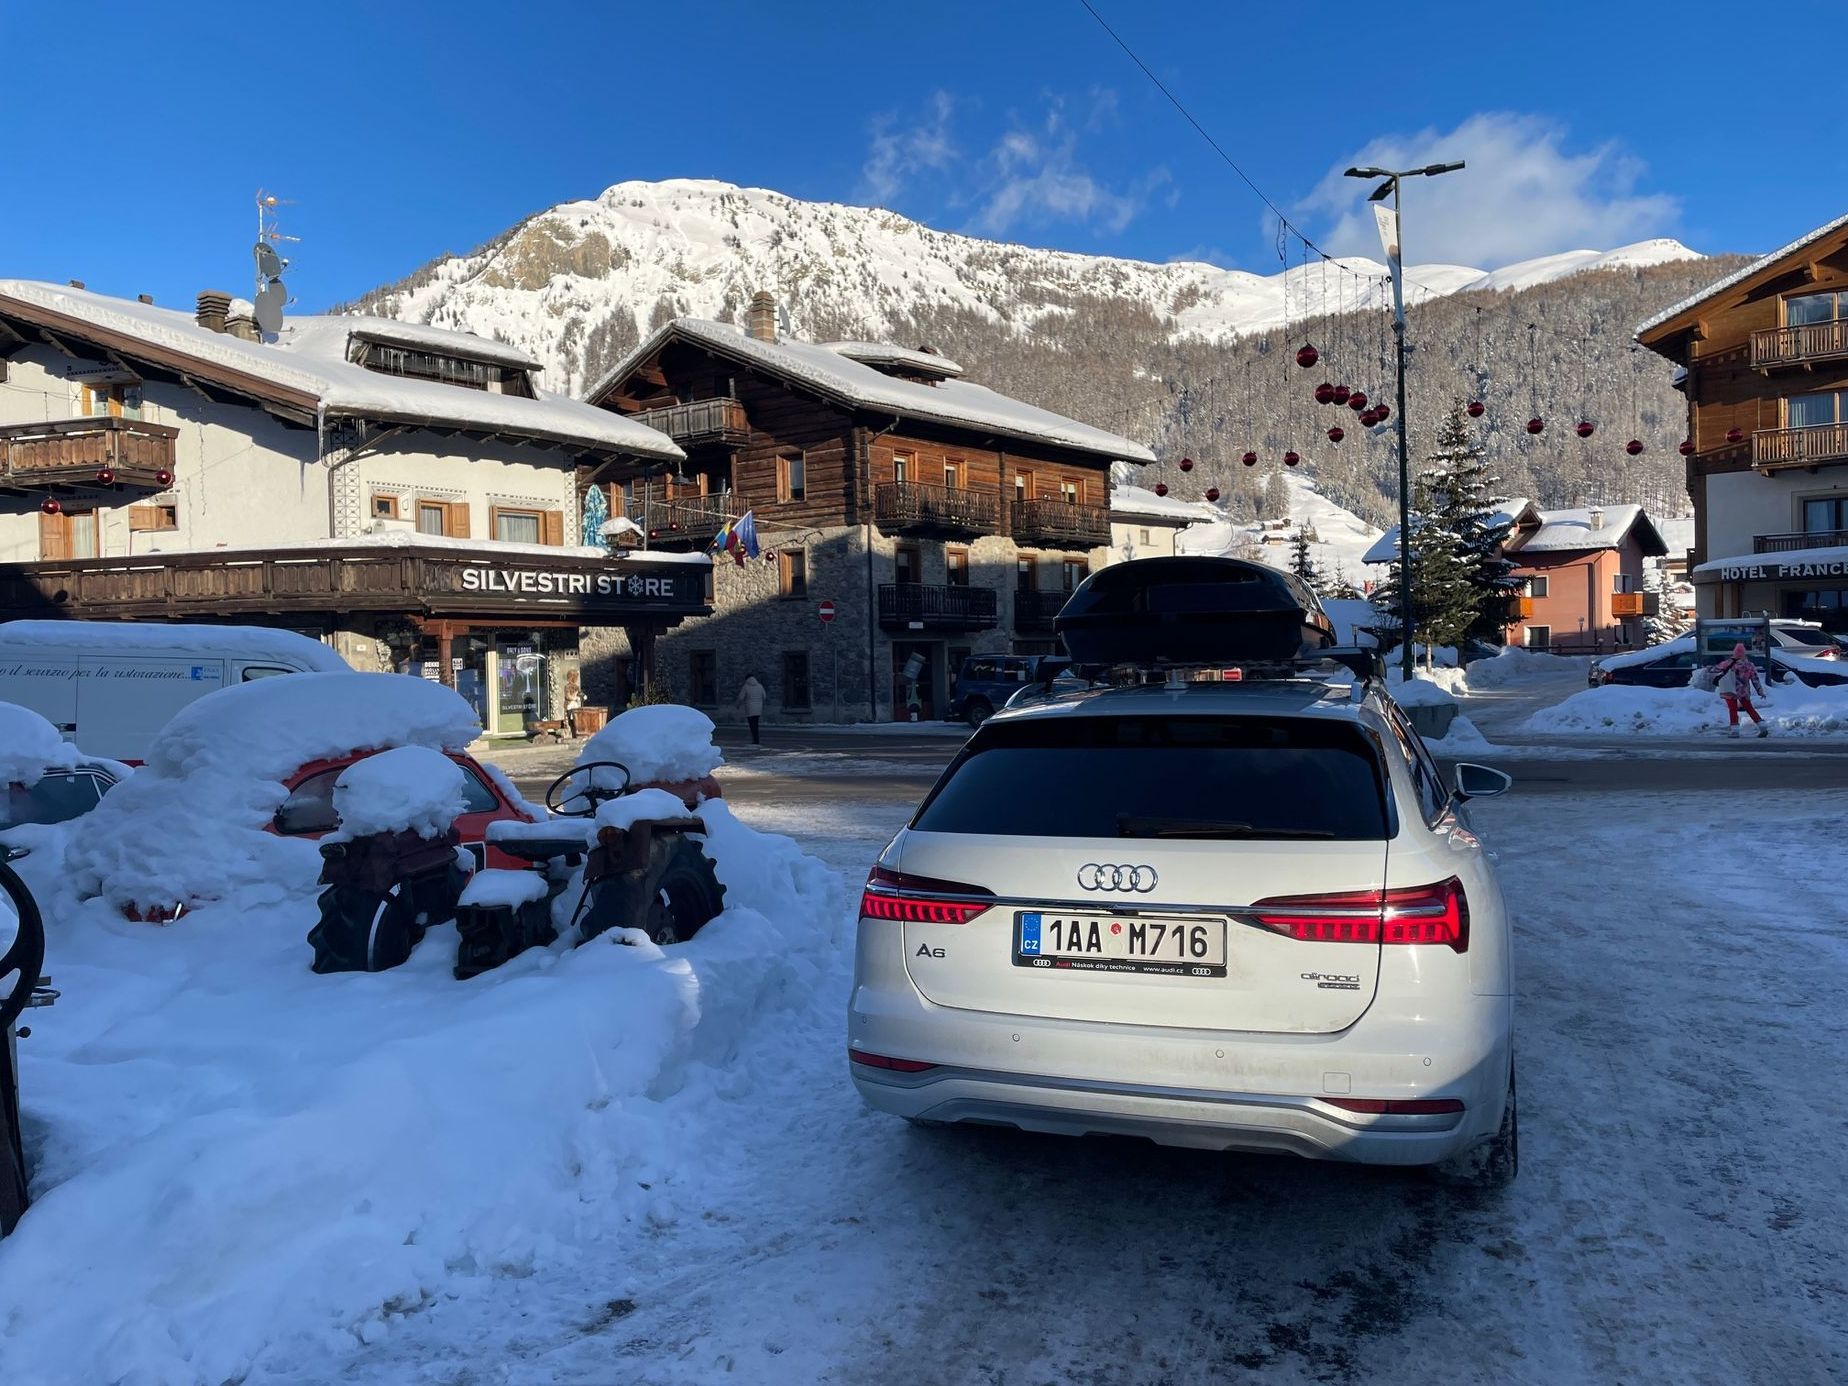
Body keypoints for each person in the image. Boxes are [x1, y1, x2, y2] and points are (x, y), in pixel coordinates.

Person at [1710, 642, 1768, 738]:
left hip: (1730, 690)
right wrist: (1760, 691)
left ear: (1735, 653)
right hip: (1744, 691)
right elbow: (1755, 679)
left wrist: (1707, 669)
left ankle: (1735, 731)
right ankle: (1762, 727)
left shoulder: (1728, 663)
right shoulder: (1750, 665)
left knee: (1732, 710)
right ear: (1744, 653)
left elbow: (1715, 669)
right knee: (1749, 708)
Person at [735, 674, 766, 745]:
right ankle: (756, 739)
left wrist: (738, 705)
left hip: (750, 708)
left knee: (752, 725)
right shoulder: (760, 686)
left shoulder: (746, 687)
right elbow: (764, 696)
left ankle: (755, 739)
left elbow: (741, 697)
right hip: (758, 708)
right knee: (756, 724)